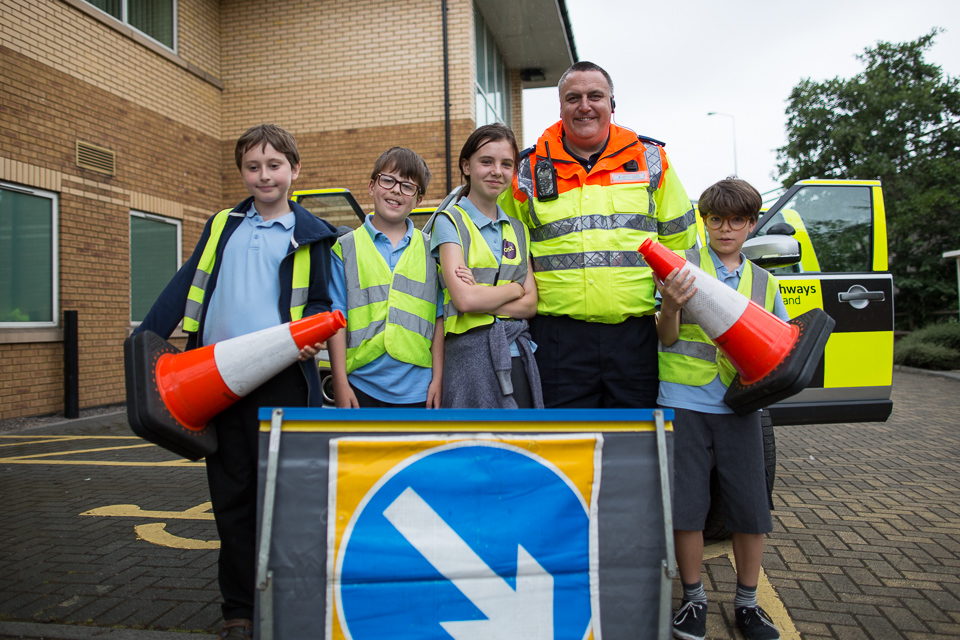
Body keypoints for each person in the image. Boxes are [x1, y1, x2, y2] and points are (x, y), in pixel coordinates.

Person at [133, 124, 338, 638]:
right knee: (230, 498)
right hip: (216, 380)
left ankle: (289, 603)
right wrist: (146, 341)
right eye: (253, 167)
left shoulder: (312, 234)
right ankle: (239, 611)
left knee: (285, 500)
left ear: (295, 171)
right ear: (242, 172)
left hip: (281, 384)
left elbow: (319, 303)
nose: (264, 175)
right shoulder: (222, 224)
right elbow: (187, 283)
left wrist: (310, 333)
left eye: (274, 166)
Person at [499, 61, 696, 409]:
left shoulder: (651, 160)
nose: (585, 106)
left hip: (636, 335)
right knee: (566, 447)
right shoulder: (527, 169)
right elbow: (505, 250)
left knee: (636, 446)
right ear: (560, 107)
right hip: (557, 339)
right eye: (573, 98)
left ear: (612, 104)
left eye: (595, 96)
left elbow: (680, 242)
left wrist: (671, 310)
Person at [656, 178, 788, 640]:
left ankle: (748, 604)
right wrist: (669, 307)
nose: (725, 228)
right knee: (688, 508)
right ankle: (694, 599)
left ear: (751, 225)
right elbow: (666, 337)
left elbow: (777, 350)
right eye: (715, 219)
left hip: (739, 407)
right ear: (704, 220)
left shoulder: (765, 282)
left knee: (751, 508)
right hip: (683, 403)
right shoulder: (682, 268)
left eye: (736, 220)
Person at [430, 124, 541, 408]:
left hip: (517, 353)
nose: (497, 171)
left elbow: (531, 306)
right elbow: (465, 300)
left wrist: (482, 296)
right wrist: (515, 288)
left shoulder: (518, 228)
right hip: (469, 358)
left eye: (506, 164)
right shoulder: (449, 221)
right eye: (486, 161)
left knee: (520, 447)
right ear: (466, 166)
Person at [327, 147, 444, 408]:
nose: (395, 190)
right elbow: (337, 318)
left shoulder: (433, 252)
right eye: (388, 180)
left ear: (419, 199)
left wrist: (438, 378)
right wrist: (340, 382)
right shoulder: (345, 248)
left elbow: (438, 319)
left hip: (419, 390)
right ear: (371, 186)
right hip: (360, 385)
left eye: (407, 186)